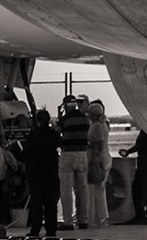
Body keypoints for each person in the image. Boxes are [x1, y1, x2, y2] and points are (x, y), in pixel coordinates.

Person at [14, 109, 61, 237]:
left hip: (36, 173)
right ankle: (51, 230)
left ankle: (35, 229)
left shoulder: (32, 136)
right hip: (50, 172)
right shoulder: (53, 135)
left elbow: (26, 154)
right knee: (51, 203)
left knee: (37, 203)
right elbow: (59, 143)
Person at [55, 98, 91, 229]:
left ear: (65, 105)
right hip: (82, 154)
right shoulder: (86, 119)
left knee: (66, 189)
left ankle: (68, 221)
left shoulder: (65, 120)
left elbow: (56, 132)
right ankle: (83, 220)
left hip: (68, 154)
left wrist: (59, 116)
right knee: (82, 189)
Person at [84, 100, 111, 227]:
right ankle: (101, 217)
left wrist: (89, 145)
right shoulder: (102, 124)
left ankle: (96, 217)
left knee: (93, 189)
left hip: (97, 160)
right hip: (103, 158)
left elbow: (99, 143)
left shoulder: (96, 126)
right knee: (99, 190)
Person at [121, 132, 147, 225]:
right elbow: (141, 145)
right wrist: (129, 151)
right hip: (144, 159)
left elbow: (143, 144)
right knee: (138, 188)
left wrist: (129, 151)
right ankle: (141, 215)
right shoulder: (145, 130)